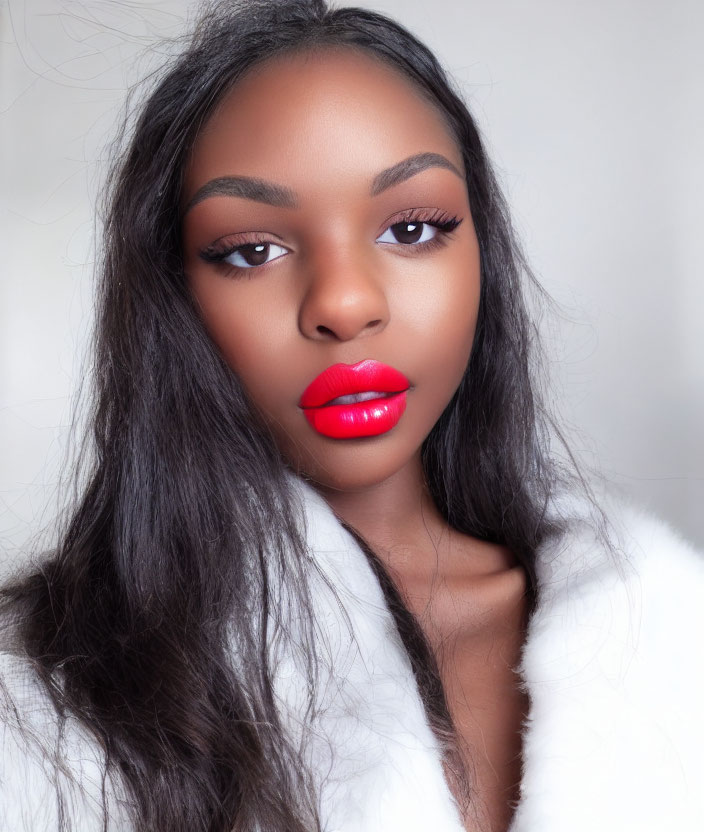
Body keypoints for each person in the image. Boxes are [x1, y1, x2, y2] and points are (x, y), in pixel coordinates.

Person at [1, 1, 702, 831]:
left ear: (483, 252)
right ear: (173, 295)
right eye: (252, 250)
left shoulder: (667, 636)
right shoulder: (37, 702)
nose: (343, 304)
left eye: (412, 228)